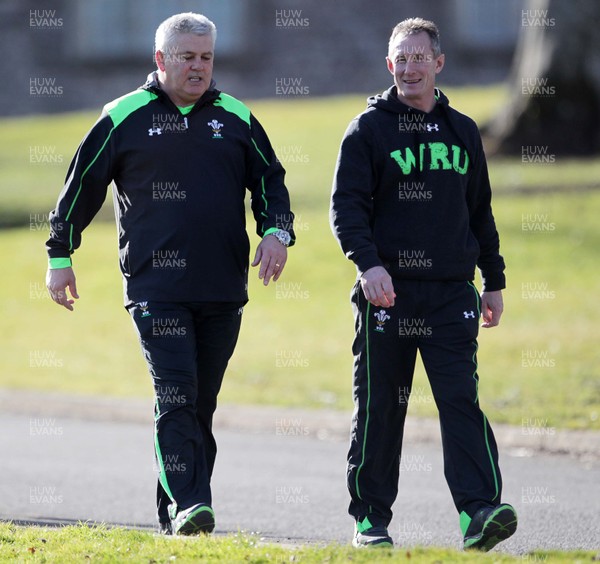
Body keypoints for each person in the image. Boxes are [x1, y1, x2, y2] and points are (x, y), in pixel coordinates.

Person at [46, 12, 295, 536]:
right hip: (155, 288)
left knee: (198, 406)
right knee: (176, 393)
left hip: (223, 288)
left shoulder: (236, 117)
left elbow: (271, 180)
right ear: (160, 59)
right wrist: (59, 255)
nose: (199, 67)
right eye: (187, 57)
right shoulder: (123, 116)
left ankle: (176, 513)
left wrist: (276, 231)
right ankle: (193, 505)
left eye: (206, 57)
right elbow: (80, 189)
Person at [330, 17, 516, 551]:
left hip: (451, 295)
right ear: (390, 67)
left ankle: (479, 513)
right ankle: (370, 519)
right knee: (381, 407)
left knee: (461, 401)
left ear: (438, 64)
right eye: (401, 59)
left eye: (419, 58)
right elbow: (346, 209)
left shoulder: (462, 130)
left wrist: (494, 279)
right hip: (386, 295)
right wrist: (369, 265)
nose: (410, 67)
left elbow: (479, 211)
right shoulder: (367, 130)